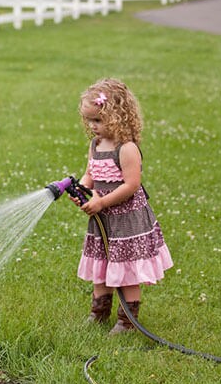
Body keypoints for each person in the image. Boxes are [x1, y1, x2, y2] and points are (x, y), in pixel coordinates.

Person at [74, 78, 173, 335]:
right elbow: (90, 174)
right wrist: (83, 191)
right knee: (102, 265)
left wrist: (101, 202)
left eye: (98, 120)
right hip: (102, 218)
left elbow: (131, 185)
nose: (92, 126)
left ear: (119, 116)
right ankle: (99, 312)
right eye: (89, 120)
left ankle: (127, 322)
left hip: (126, 219)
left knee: (127, 269)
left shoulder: (127, 149)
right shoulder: (95, 145)